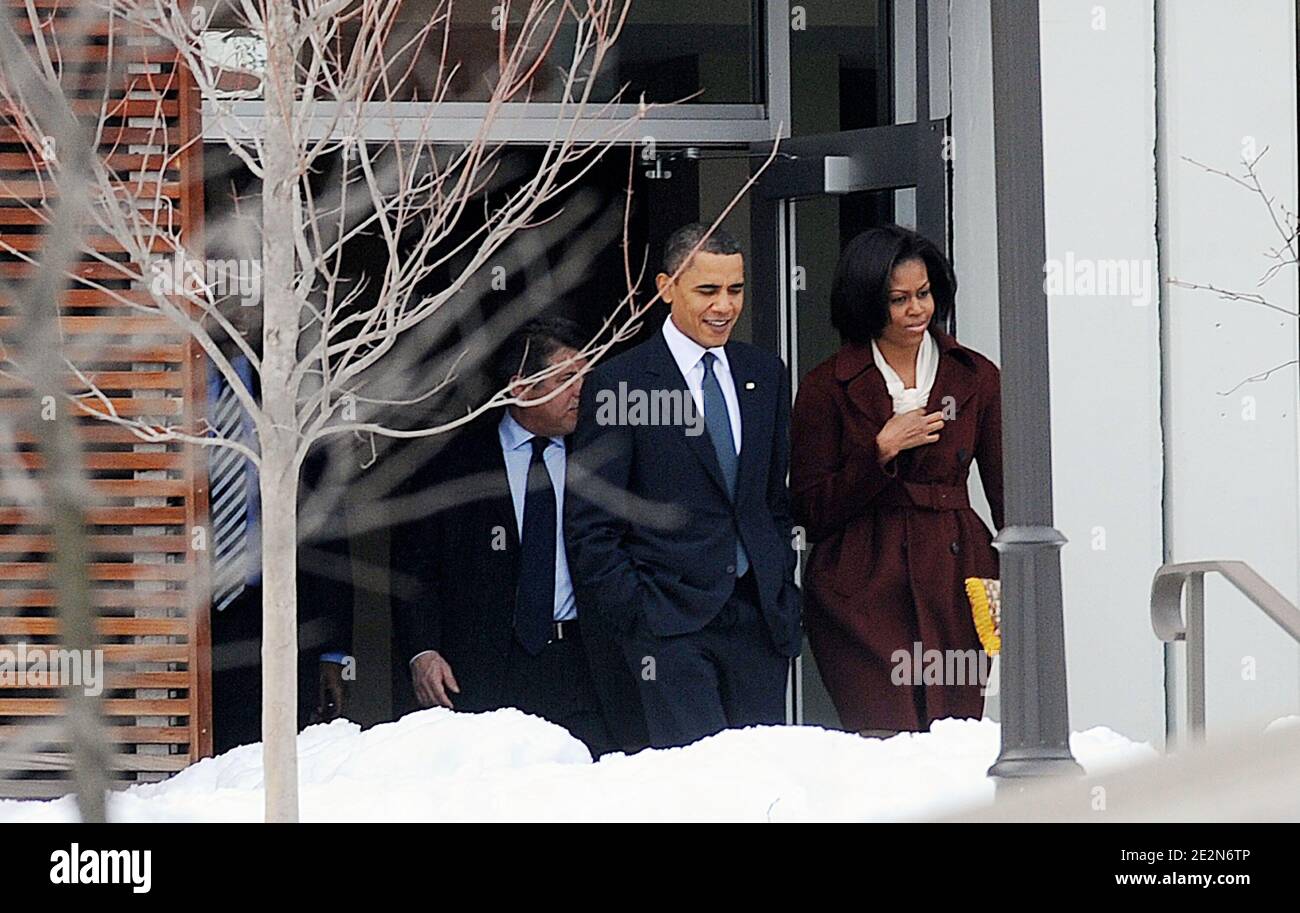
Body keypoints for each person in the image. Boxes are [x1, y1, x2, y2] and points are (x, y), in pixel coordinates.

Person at [565, 223, 801, 749]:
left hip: (758, 620)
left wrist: (778, 579)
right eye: (707, 291)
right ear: (666, 287)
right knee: (698, 787)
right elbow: (590, 525)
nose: (724, 306)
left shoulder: (765, 374)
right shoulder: (621, 382)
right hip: (667, 623)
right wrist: (638, 615)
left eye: (735, 290)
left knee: (759, 780)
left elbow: (770, 501)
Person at [391, 318, 647, 756]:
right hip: (485, 669)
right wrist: (423, 651)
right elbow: (413, 566)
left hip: (587, 665)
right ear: (521, 388)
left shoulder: (606, 451)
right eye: (567, 378)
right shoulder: (455, 460)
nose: (582, 390)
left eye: (585, 377)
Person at [789, 224, 1003, 736]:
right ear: (867, 303)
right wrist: (880, 449)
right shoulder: (825, 386)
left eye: (924, 294)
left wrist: (1015, 576)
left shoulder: (975, 375)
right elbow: (809, 508)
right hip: (860, 583)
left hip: (957, 573)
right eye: (898, 299)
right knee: (884, 738)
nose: (916, 310)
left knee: (955, 738)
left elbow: (1007, 492)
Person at [207, 330, 355, 754]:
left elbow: (329, 525)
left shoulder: (292, 389)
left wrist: (334, 652)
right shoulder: (164, 380)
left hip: (277, 612)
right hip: (182, 615)